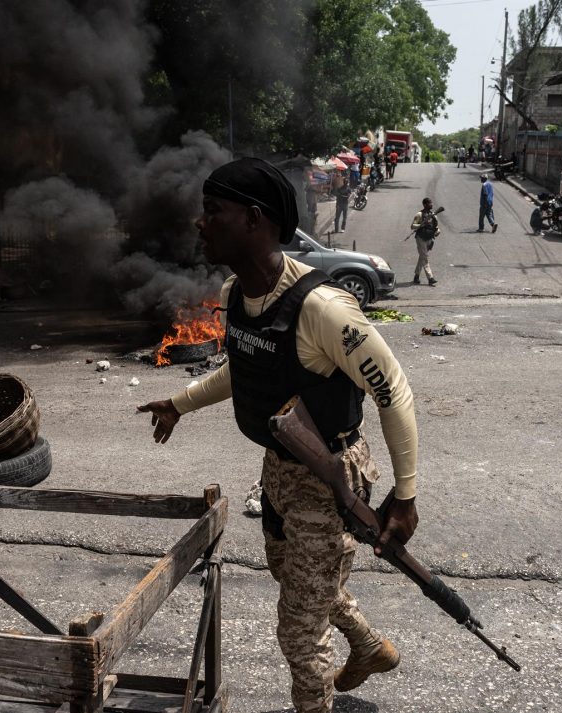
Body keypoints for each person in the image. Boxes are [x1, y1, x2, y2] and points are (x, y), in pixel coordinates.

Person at [138, 157, 419, 713]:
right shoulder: (235, 293)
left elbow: (395, 392)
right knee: (292, 575)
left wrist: (406, 495)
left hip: (331, 475)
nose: (200, 222)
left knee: (297, 630)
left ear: (253, 219)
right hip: (282, 468)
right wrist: (178, 403)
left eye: (212, 211)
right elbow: (243, 370)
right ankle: (367, 646)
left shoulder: (323, 308)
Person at [410, 197, 439, 286]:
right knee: (425, 257)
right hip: (421, 239)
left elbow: (436, 227)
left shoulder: (433, 215)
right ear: (425, 205)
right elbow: (412, 226)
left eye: (432, 203)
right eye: (430, 203)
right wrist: (421, 224)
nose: (432, 205)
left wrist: (437, 232)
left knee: (422, 257)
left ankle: (416, 276)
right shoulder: (419, 214)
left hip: (429, 239)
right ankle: (430, 278)